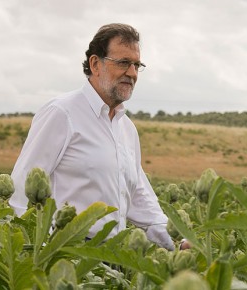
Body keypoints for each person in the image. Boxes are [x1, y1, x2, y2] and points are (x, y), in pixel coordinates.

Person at [9, 23, 174, 250]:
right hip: (66, 253)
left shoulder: (126, 128)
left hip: (113, 258)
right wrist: (30, 253)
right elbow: (21, 187)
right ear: (96, 64)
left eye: (137, 65)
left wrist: (177, 241)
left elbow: (139, 197)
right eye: (124, 63)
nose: (132, 73)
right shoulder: (62, 113)